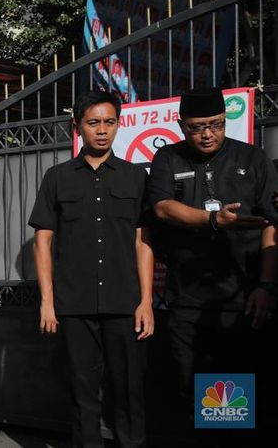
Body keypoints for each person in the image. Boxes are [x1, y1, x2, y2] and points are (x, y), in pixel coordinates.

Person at [146, 87, 278, 444]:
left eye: (216, 125)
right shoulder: (168, 159)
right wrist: (213, 220)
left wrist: (266, 287)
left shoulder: (253, 159)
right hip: (188, 303)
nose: (207, 134)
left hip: (243, 302)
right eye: (197, 127)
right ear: (181, 125)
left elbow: (271, 225)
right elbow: (161, 208)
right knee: (191, 395)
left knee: (236, 400)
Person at [29, 91, 153, 448]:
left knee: (129, 389)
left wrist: (145, 301)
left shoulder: (135, 177)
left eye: (109, 122)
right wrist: (47, 302)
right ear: (78, 126)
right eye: (93, 122)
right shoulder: (57, 177)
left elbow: (143, 242)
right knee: (83, 392)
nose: (102, 131)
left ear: (119, 124)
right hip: (74, 304)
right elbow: (43, 243)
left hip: (124, 303)